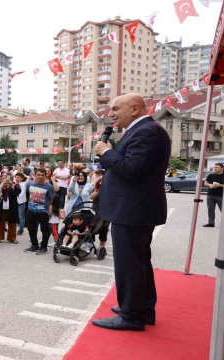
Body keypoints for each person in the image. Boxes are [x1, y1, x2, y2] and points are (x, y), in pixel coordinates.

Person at [93, 93, 171, 331]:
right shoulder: (141, 131)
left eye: (116, 108)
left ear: (135, 108)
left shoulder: (148, 131)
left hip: (133, 210)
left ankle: (131, 315)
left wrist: (106, 152)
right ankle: (142, 308)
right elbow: (132, 169)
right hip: (134, 208)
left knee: (129, 264)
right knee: (139, 262)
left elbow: (131, 169)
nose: (111, 114)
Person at [24, 168, 55, 255]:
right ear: (34, 175)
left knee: (45, 230)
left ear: (45, 176)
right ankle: (34, 245)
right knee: (31, 229)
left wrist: (50, 208)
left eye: (42, 175)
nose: (40, 177)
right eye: (38, 175)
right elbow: (28, 194)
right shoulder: (30, 184)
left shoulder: (49, 186)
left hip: (43, 211)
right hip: (31, 210)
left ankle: (43, 247)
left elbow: (52, 198)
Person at [0, 174, 21, 243]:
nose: (5, 178)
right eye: (3, 176)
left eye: (6, 176)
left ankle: (12, 238)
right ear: (1, 177)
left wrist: (11, 185)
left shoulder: (16, 185)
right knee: (0, 222)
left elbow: (17, 193)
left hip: (12, 206)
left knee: (12, 222)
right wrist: (3, 182)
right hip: (1, 205)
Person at [203, 163, 224, 227]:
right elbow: (206, 183)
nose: (215, 168)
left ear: (222, 168)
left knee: (223, 210)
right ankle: (211, 222)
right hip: (210, 195)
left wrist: (220, 185)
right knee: (210, 209)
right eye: (214, 167)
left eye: (217, 167)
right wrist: (209, 185)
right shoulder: (210, 175)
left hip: (221, 196)